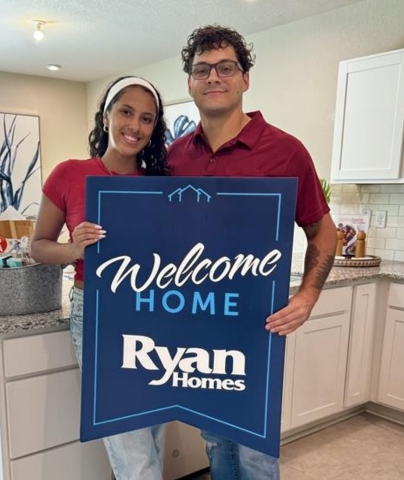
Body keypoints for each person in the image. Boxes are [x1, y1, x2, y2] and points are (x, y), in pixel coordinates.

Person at [167, 25, 337, 480]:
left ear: (245, 78)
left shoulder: (285, 151)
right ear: (189, 82)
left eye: (226, 67)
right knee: (215, 437)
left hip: (256, 325)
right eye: (202, 69)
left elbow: (323, 232)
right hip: (196, 321)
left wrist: (306, 298)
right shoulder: (173, 157)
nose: (214, 77)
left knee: (256, 450)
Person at [30, 76, 170, 480]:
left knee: (154, 433)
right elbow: (39, 245)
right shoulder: (70, 174)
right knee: (132, 444)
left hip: (157, 311)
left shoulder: (162, 184)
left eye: (147, 118)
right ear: (107, 115)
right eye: (126, 112)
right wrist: (75, 250)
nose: (135, 126)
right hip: (99, 314)